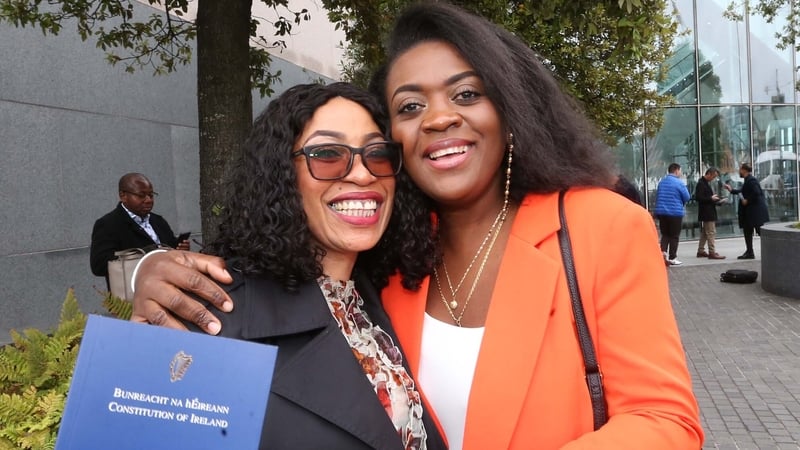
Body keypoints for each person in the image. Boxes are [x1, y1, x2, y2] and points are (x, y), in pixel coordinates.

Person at [130, 3, 704, 449]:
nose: (439, 117)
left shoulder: (599, 226)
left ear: (510, 111)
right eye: (409, 107)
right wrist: (148, 271)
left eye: (467, 94)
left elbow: (666, 420)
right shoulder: (392, 256)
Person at [176, 82, 446, 449]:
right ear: (281, 175)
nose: (364, 174)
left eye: (378, 153)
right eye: (328, 154)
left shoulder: (377, 295)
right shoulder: (207, 322)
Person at [89, 172, 190, 287]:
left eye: (151, 195)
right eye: (141, 195)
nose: (148, 200)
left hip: (166, 289)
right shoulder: (108, 224)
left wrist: (180, 249)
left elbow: (169, 249)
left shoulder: (158, 221)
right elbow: (99, 266)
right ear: (123, 196)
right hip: (134, 295)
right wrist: (144, 254)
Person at [724, 162, 770, 259]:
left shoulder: (751, 180)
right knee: (749, 231)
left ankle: (767, 250)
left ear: (744, 170)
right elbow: (743, 191)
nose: (739, 171)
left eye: (740, 169)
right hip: (752, 212)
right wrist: (731, 190)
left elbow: (756, 193)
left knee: (757, 231)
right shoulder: (748, 180)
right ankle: (750, 252)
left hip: (754, 212)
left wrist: (747, 200)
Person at [654, 163, 691, 266]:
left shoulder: (662, 182)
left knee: (665, 235)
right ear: (676, 170)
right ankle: (672, 257)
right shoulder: (679, 183)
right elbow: (687, 197)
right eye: (680, 171)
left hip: (662, 212)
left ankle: (662, 254)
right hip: (675, 212)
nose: (681, 173)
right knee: (674, 236)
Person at [695, 167, 726, 259]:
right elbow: (699, 198)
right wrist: (711, 198)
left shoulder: (705, 183)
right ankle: (712, 252)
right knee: (711, 232)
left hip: (708, 211)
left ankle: (700, 251)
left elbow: (706, 198)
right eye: (713, 176)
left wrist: (718, 201)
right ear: (709, 174)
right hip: (707, 213)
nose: (713, 178)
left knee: (705, 232)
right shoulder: (701, 184)